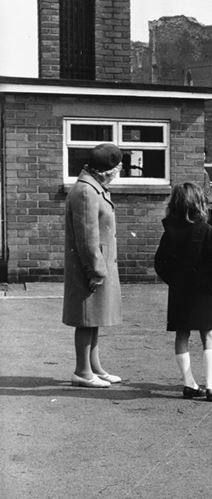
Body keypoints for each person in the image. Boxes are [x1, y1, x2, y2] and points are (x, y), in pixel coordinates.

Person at [154, 182, 212, 402]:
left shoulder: (169, 231)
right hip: (203, 289)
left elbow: (160, 263)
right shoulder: (206, 230)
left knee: (182, 334)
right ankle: (211, 386)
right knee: (208, 335)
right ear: (199, 203)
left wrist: (173, 280)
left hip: (179, 288)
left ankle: (188, 383)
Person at [63, 143, 124, 388]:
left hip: (99, 262)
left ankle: (94, 367)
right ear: (106, 170)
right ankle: (82, 371)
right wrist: (96, 270)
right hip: (91, 266)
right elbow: (87, 237)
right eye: (118, 168)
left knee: (94, 317)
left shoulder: (95, 187)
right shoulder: (87, 192)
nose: (119, 172)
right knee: (86, 318)